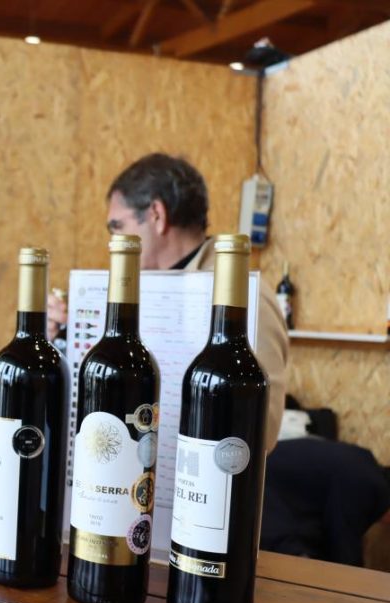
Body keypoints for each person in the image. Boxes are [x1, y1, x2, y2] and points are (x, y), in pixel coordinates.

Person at [48, 153, 288, 453]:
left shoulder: (243, 296)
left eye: (117, 226)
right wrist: (62, 345)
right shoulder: (136, 295)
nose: (113, 242)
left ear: (156, 215)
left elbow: (261, 429)